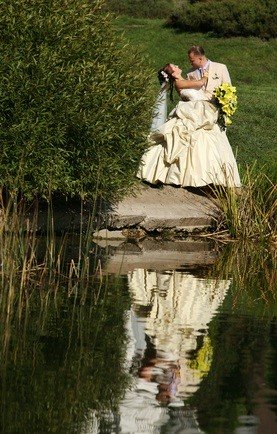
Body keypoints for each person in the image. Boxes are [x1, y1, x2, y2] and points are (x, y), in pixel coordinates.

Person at [137, 62, 241, 188]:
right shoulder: (179, 82)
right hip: (195, 110)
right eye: (174, 67)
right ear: (173, 73)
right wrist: (206, 74)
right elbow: (200, 83)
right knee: (188, 138)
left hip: (200, 110)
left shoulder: (182, 80)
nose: (177, 66)